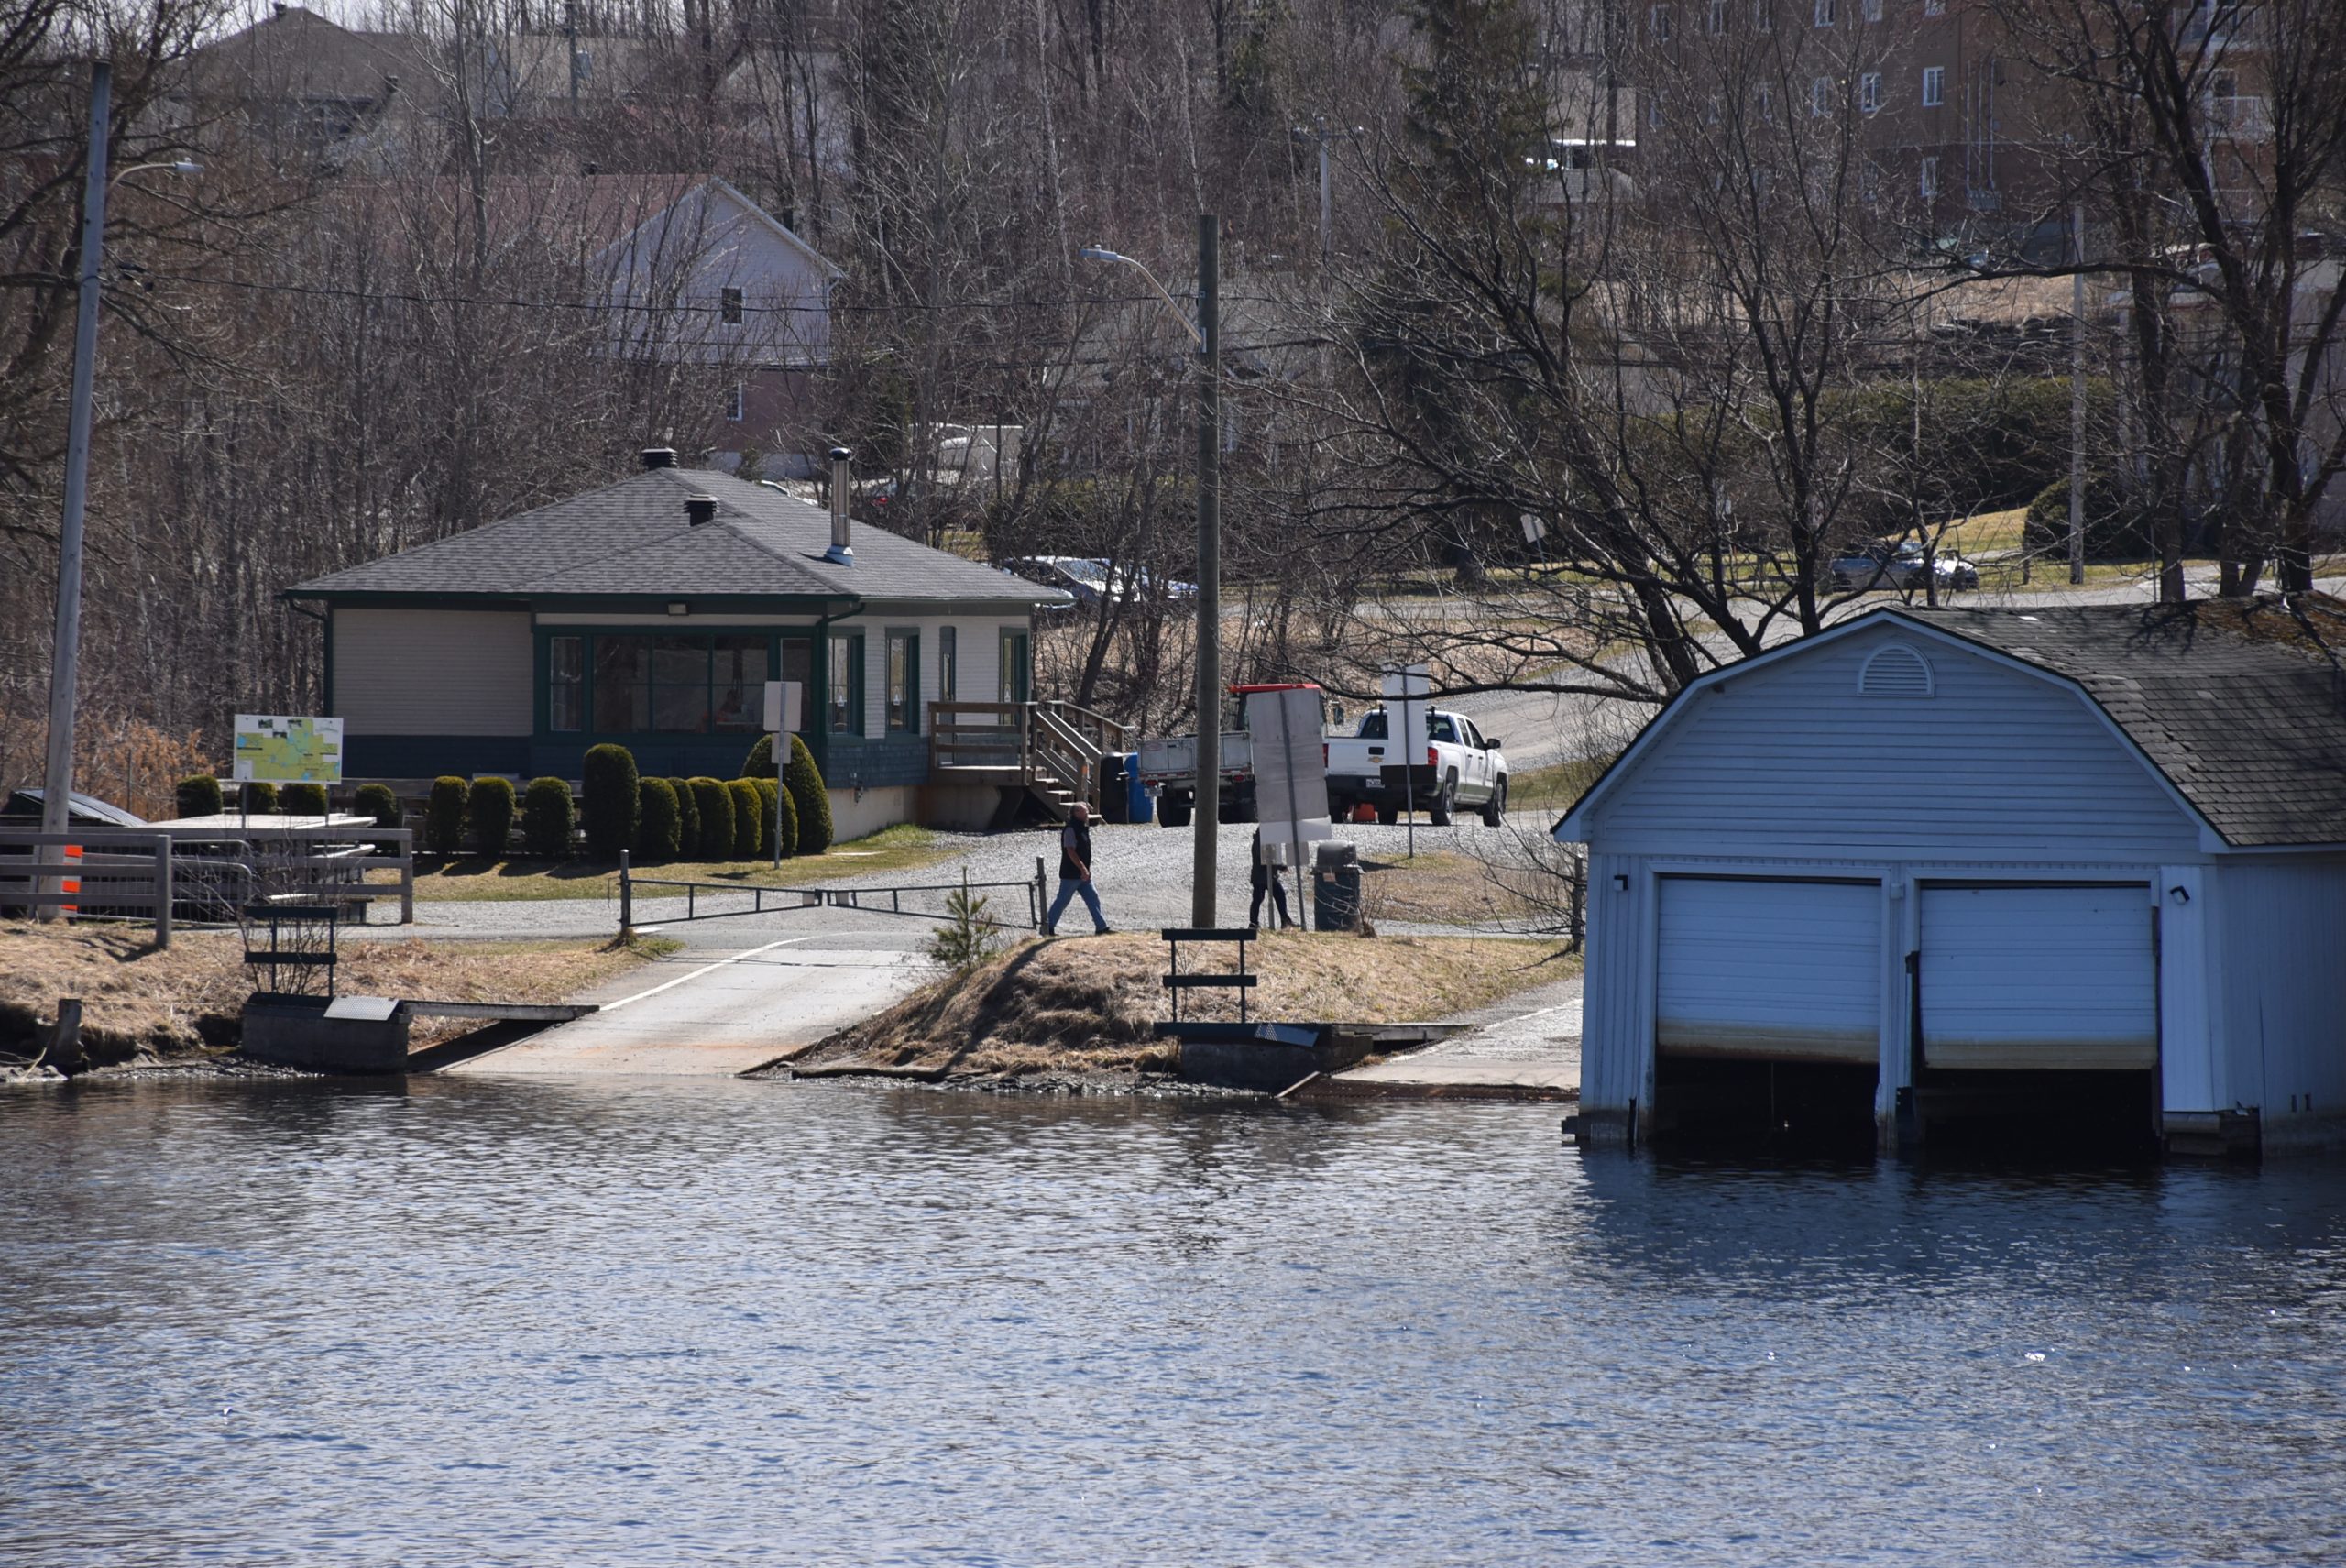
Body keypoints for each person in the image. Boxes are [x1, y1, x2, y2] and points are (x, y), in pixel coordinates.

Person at [1044, 801, 1112, 936]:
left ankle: (1101, 927)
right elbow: (1070, 851)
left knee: (1093, 898)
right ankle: (1047, 927)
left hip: (1083, 874)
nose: (1087, 813)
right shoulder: (1070, 829)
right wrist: (1082, 868)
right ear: (1076, 813)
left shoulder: (1082, 828)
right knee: (1062, 901)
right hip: (1071, 874)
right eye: (1084, 811)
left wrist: (1085, 870)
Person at [1249, 828, 1296, 930]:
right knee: (1258, 899)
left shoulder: (1265, 839)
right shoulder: (1259, 840)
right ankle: (1253, 923)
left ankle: (1285, 920)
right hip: (1260, 877)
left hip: (1270, 876)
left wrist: (1279, 866)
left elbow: (1271, 858)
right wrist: (1281, 866)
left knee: (1280, 895)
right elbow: (1266, 858)